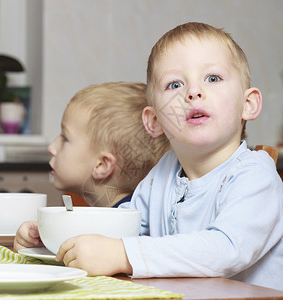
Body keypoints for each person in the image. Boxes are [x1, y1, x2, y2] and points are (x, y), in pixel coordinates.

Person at [31, 22, 283, 290]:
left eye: (213, 78)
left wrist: (124, 255)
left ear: (248, 104)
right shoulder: (164, 171)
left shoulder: (255, 175)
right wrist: (52, 237)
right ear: (154, 122)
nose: (193, 92)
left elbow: (227, 249)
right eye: (174, 84)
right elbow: (125, 225)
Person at [14, 81, 170, 251]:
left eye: (65, 138)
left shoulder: (126, 233)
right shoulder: (104, 223)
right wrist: (41, 240)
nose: (51, 148)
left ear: (102, 165)